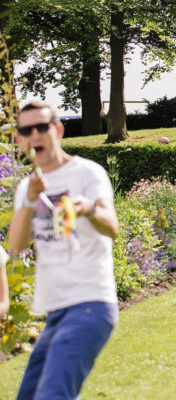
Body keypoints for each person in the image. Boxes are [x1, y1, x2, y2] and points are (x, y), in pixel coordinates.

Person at [9, 101, 118, 400]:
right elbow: (17, 245)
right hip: (56, 312)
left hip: (90, 304)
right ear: (19, 139)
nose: (34, 135)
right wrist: (30, 200)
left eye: (41, 127)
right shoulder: (26, 188)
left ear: (57, 130)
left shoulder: (87, 173)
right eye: (26, 130)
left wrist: (88, 209)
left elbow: (112, 227)